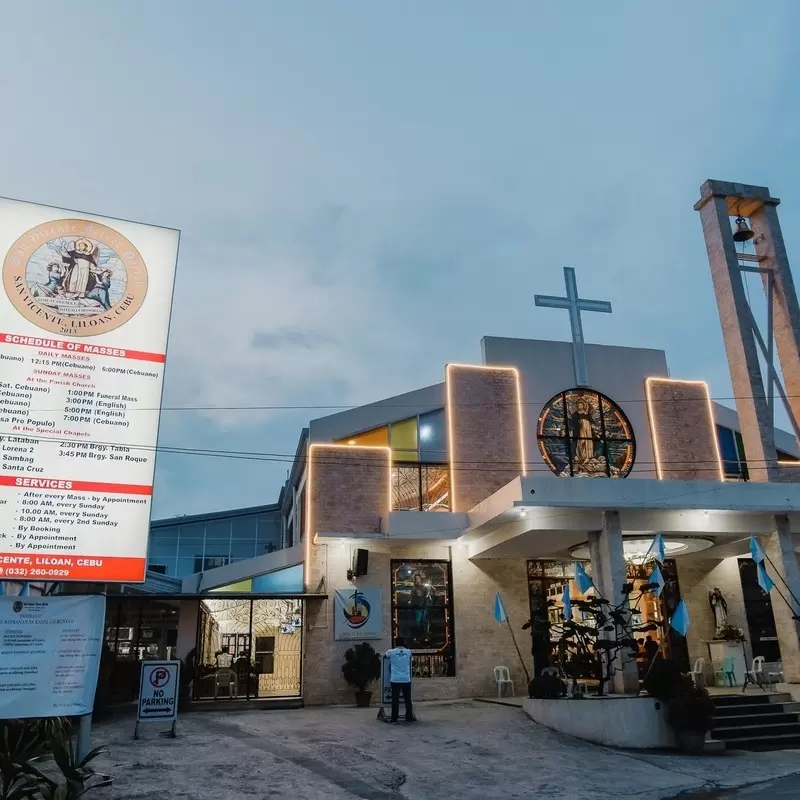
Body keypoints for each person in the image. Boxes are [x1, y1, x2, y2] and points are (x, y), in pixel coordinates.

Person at [385, 637, 414, 723]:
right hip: (406, 679)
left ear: (395, 643)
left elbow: (386, 655)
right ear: (404, 643)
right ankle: (409, 717)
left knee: (395, 699)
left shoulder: (391, 652)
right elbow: (411, 659)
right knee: (407, 699)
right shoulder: (408, 652)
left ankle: (394, 718)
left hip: (395, 679)